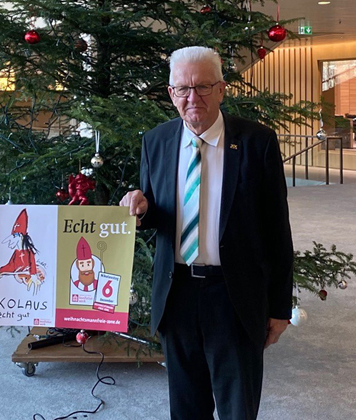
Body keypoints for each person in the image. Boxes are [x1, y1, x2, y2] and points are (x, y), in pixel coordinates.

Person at [119, 46, 293, 419]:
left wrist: (280, 308)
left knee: (238, 408)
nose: (192, 97)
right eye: (182, 89)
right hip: (177, 294)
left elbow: (277, 229)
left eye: (202, 87)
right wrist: (141, 208)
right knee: (186, 408)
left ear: (221, 90)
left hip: (234, 296)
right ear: (171, 94)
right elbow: (157, 213)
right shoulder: (157, 141)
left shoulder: (256, 142)